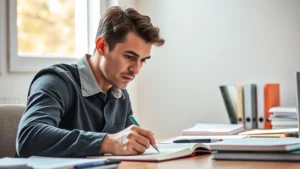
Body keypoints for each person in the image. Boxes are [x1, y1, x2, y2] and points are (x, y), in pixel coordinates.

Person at [16, 6, 165, 157]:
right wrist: (108, 142)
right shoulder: (56, 81)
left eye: (143, 60)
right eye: (129, 56)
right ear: (101, 46)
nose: (136, 69)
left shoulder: (120, 95)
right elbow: (28, 137)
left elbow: (123, 148)